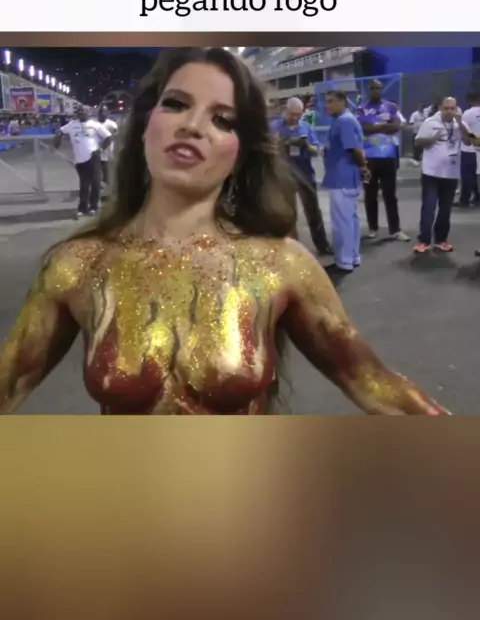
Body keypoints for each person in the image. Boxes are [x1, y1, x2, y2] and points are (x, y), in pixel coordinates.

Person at [0, 47, 448, 417]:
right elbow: (12, 379)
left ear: (241, 152)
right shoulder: (78, 266)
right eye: (176, 104)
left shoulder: (278, 264)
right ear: (145, 124)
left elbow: (371, 383)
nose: (192, 125)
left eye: (223, 120)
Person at [271, 97, 331, 255]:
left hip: (305, 173)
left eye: (299, 114)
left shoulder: (306, 127)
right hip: (283, 175)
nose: (296, 118)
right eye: (293, 114)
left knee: (313, 210)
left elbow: (316, 151)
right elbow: (266, 149)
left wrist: (305, 145)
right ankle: (292, 248)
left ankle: (322, 245)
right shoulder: (274, 127)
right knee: (287, 212)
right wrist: (283, 143)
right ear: (286, 111)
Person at [413, 97, 470, 254]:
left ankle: (441, 240)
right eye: (446, 108)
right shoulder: (430, 122)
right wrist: (432, 139)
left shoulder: (460, 124)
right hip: (431, 173)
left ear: (456, 109)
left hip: (451, 174)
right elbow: (417, 142)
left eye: (452, 108)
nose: (449, 112)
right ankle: (423, 240)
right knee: (429, 208)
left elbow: (468, 142)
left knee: (445, 210)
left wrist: (461, 124)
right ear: (441, 108)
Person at [356, 80, 410, 242]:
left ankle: (395, 229)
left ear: (382, 89)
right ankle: (373, 228)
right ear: (368, 90)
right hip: (368, 157)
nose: (376, 91)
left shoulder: (391, 107)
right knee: (370, 194)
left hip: (389, 156)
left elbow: (397, 125)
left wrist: (375, 126)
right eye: (373, 88)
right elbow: (362, 128)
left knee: (390, 194)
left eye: (378, 88)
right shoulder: (361, 108)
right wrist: (384, 126)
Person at [323, 90, 370, 276]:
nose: (327, 105)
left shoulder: (344, 121)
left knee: (342, 221)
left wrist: (363, 167)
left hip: (342, 178)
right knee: (350, 219)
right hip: (345, 177)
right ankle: (352, 256)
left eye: (331, 101)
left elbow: (355, 149)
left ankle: (344, 261)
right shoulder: (343, 120)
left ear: (342, 102)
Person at [54, 105, 112, 219]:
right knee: (84, 185)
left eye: (84, 111)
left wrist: (101, 149)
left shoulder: (95, 125)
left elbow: (108, 137)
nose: (82, 113)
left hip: (93, 157)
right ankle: (82, 208)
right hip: (80, 160)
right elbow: (60, 131)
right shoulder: (72, 125)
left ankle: (93, 207)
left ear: (89, 113)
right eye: (80, 111)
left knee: (95, 183)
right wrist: (57, 141)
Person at [456, 92, 480, 208]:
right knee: (477, 175)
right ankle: (477, 198)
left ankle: (464, 200)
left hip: (469, 148)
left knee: (467, 176)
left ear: (470, 100)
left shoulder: (468, 113)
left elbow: (463, 129)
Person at [97, 104, 119, 186]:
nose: (102, 113)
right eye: (100, 111)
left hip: (108, 151)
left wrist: (106, 142)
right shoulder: (94, 124)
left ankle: (109, 186)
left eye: (104, 111)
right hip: (96, 151)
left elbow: (115, 135)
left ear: (107, 112)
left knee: (107, 171)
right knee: (97, 171)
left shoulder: (111, 124)